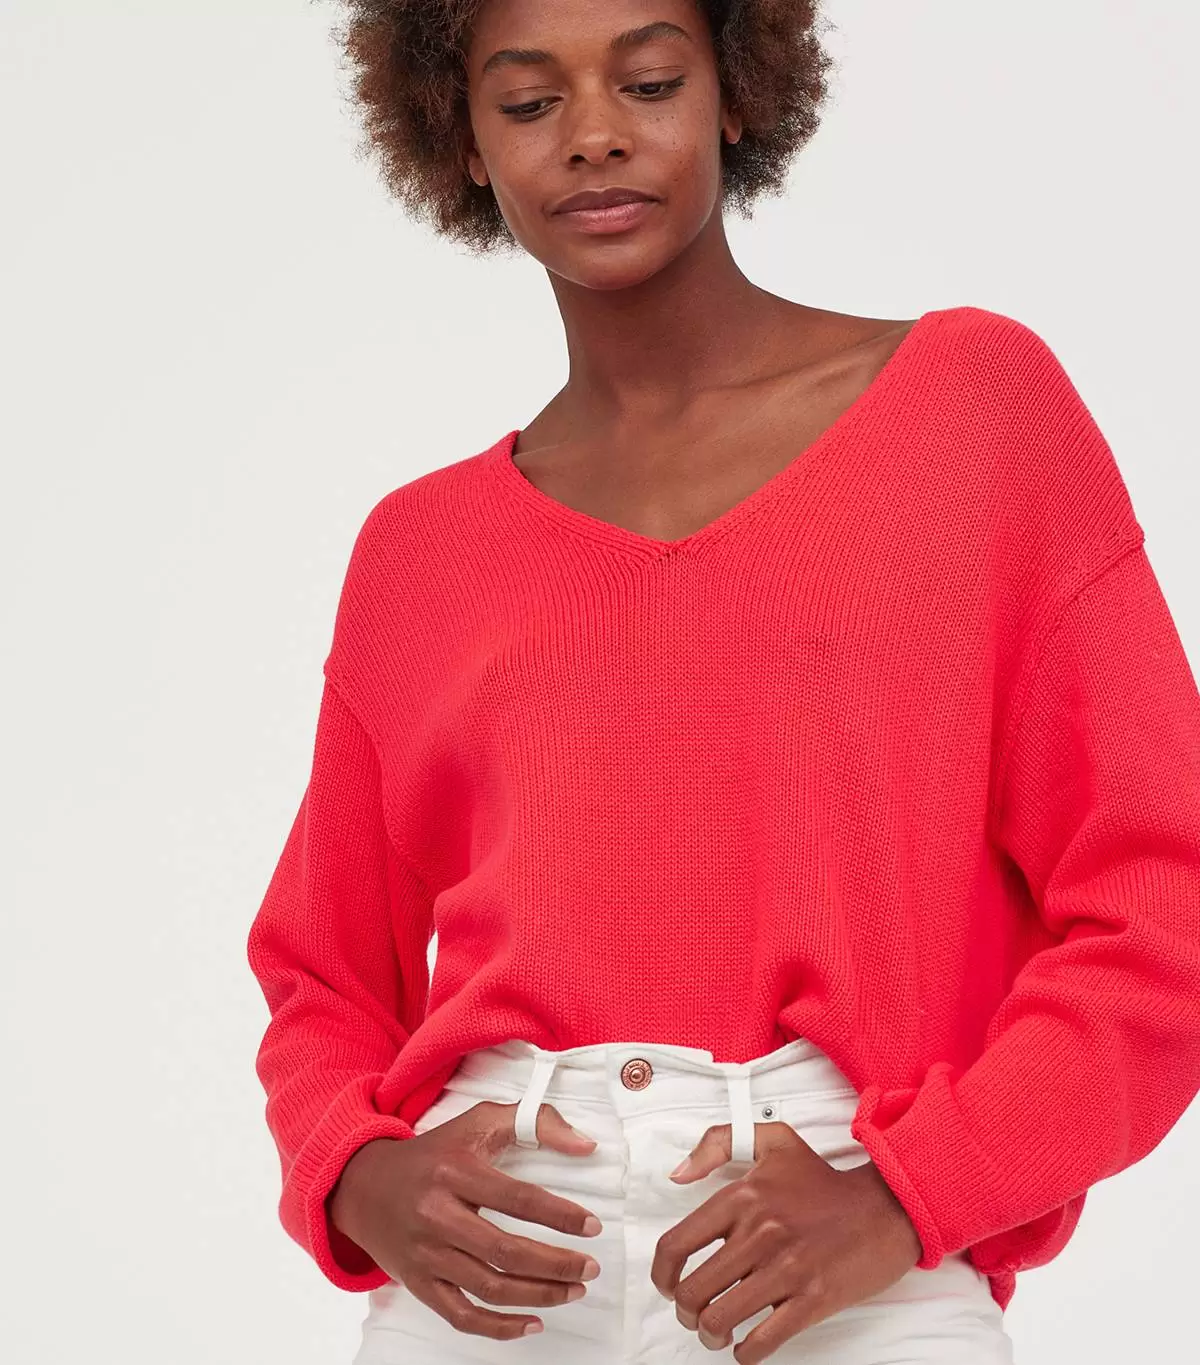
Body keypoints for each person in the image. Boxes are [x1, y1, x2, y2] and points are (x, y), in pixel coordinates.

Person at [245, 1, 1200, 1362]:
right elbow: (323, 972)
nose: (593, 137)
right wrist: (353, 1173)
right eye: (529, 103)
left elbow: (1166, 902)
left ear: (737, 91)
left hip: (842, 1237)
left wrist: (910, 1195)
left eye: (647, 81)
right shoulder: (420, 551)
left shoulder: (972, 412)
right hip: (495, 1271)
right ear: (460, 139)